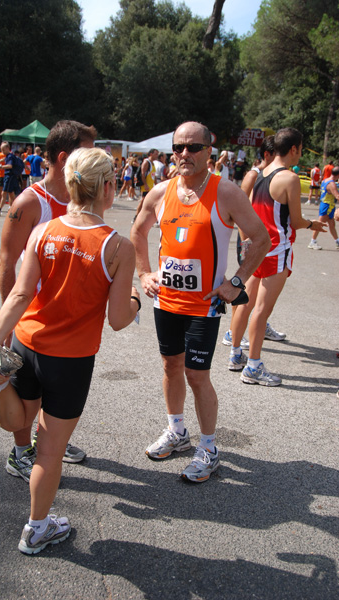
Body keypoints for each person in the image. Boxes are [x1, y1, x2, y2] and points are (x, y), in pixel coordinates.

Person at [0, 147, 140, 554]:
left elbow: (19, 294)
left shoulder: (44, 229)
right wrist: (139, 300)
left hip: (25, 342)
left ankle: (0, 386)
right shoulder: (119, 247)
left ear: (71, 183)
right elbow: (119, 319)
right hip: (69, 361)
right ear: (108, 188)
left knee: (23, 421)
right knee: (50, 451)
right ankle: (36, 528)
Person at [130, 121, 270, 483]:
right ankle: (177, 432)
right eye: (178, 147)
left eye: (193, 147)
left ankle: (208, 448)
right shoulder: (160, 191)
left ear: (210, 151)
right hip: (167, 303)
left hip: (204, 306)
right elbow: (138, 231)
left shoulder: (227, 193)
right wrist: (144, 274)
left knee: (196, 374)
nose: (184, 154)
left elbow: (260, 238)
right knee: (170, 366)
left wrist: (236, 281)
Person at [0, 120, 97, 481]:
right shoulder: (29, 202)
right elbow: (8, 264)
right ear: (63, 157)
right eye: (88, 152)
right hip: (31, 323)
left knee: (55, 393)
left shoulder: (78, 202)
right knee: (26, 396)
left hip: (67, 326)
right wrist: (7, 327)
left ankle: (48, 440)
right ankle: (21, 453)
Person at [229, 128, 327, 386]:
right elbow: (294, 222)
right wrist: (311, 224)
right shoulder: (289, 178)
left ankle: (235, 353)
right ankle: (253, 367)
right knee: (261, 309)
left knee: (245, 303)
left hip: (257, 249)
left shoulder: (260, 172)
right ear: (293, 148)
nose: (301, 154)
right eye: (301, 149)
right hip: (276, 251)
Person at [223, 135, 286, 350]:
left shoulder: (274, 175)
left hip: (262, 240)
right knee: (244, 289)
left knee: (261, 293)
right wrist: (245, 241)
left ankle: (260, 325)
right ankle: (233, 332)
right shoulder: (253, 174)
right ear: (267, 155)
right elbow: (238, 210)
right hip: (249, 240)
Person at [308, 166, 339, 250]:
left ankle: (337, 241)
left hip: (328, 205)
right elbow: (337, 196)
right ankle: (312, 242)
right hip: (327, 206)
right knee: (319, 224)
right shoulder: (332, 184)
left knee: (332, 224)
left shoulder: (325, 180)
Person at [0, 142, 20, 215]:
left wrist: (1, 166)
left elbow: (10, 166)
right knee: (11, 193)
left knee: (4, 192)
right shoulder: (8, 156)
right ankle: (18, 208)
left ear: (8, 148)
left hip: (9, 176)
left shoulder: (10, 156)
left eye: (3, 150)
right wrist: (0, 162)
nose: (2, 152)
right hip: (10, 176)